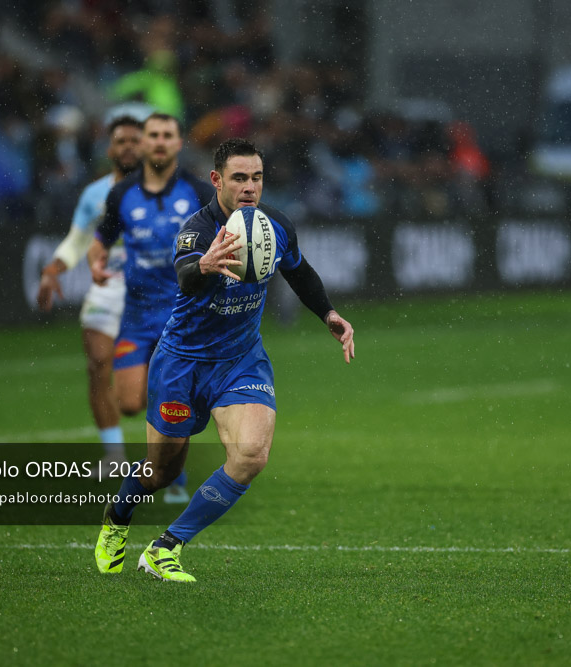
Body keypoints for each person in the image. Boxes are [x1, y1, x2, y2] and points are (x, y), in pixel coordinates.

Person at [94, 138, 355, 582]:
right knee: (160, 471)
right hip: (181, 363)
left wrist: (328, 313)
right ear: (217, 180)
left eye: (256, 177)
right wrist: (206, 265)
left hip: (239, 360)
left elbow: (300, 271)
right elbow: (185, 276)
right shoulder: (197, 230)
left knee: (251, 454)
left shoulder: (275, 226)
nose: (250, 187)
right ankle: (117, 518)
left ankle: (166, 548)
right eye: (239, 178)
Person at [87, 112, 214, 503]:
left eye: (167, 135)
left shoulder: (196, 190)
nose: (159, 141)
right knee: (129, 403)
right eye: (152, 135)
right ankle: (167, 460)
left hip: (182, 316)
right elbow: (102, 238)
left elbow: (224, 235)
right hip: (137, 318)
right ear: (142, 143)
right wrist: (95, 261)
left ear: (178, 143)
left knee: (171, 399)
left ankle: (172, 473)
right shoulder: (122, 193)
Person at [37, 115, 141, 466]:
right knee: (98, 366)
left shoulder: (165, 192)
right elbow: (76, 241)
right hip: (106, 290)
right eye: (121, 141)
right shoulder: (95, 194)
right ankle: (114, 457)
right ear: (110, 149)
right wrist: (53, 269)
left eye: (134, 140)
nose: (128, 147)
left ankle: (167, 453)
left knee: (143, 393)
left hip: (152, 294)